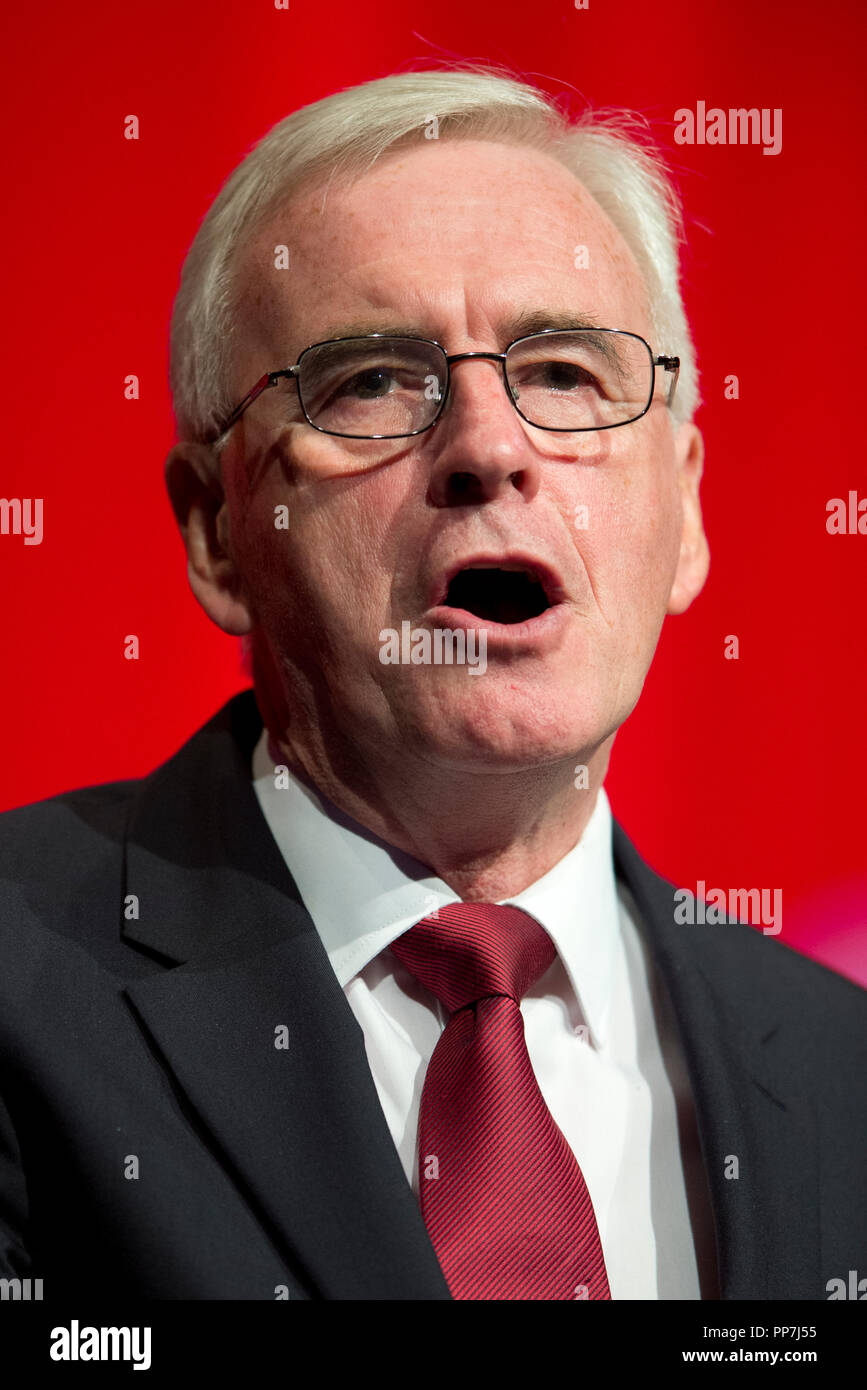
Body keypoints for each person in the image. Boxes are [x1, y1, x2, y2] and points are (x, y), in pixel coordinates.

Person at [1, 67, 864, 1302]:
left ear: (684, 512)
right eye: (371, 383)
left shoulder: (845, 1074)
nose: (488, 448)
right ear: (218, 534)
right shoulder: (22, 989)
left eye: (565, 371)